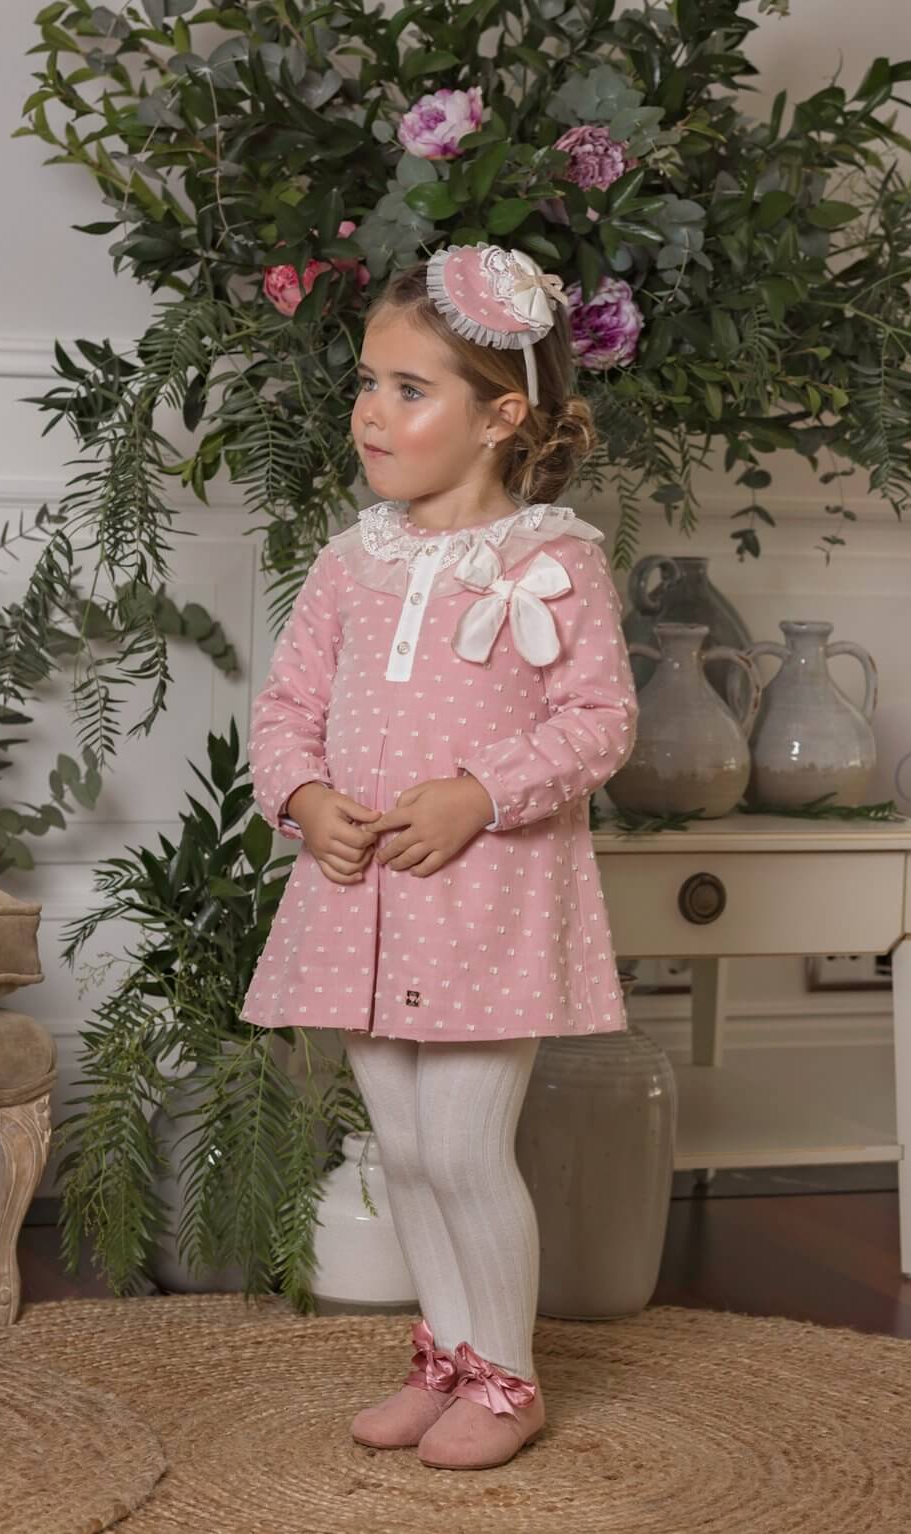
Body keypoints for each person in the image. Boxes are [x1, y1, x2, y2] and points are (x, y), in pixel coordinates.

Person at [240, 242, 640, 1471]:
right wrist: (304, 797)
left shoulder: (553, 558)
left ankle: (508, 1380)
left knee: (465, 1147)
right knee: (404, 1151)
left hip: (484, 903)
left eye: (409, 389)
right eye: (367, 382)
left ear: (500, 415)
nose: (371, 410)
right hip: (360, 897)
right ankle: (449, 1358)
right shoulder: (350, 560)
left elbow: (599, 721)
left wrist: (481, 793)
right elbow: (284, 709)